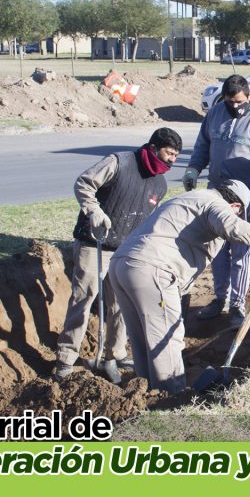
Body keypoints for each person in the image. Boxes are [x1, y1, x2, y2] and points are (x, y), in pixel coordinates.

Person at [108, 180, 250, 394]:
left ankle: (145, 393)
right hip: (153, 270)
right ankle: (169, 398)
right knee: (167, 340)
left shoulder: (189, 198)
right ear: (236, 207)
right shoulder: (216, 205)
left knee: (141, 339)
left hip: (121, 265)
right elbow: (230, 225)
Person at [55, 127, 182, 382]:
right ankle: (66, 359)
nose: (172, 160)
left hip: (126, 250)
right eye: (169, 153)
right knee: (84, 297)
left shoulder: (160, 183)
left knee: (121, 304)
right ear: (154, 148)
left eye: (176, 156)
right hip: (95, 242)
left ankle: (114, 353)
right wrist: (94, 212)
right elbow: (84, 182)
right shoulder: (119, 162)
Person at [183, 74, 250, 328]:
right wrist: (193, 168)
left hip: (246, 196)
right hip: (216, 191)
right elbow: (203, 144)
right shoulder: (215, 113)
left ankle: (237, 304)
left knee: (240, 248)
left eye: (238, 101)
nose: (234, 106)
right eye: (229, 102)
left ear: (248, 95)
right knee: (216, 247)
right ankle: (220, 298)